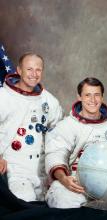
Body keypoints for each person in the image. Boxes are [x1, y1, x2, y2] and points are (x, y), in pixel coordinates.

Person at [45, 77, 107, 211]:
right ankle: (102, 210)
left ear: (102, 97)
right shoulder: (66, 126)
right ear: (79, 97)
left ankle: (99, 210)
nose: (93, 100)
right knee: (62, 199)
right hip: (77, 182)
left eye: (97, 95)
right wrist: (64, 179)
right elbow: (55, 154)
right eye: (87, 95)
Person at [0, 53, 63, 202]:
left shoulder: (48, 99)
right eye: (29, 69)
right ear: (19, 70)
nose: (34, 74)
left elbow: (59, 130)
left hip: (41, 168)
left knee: (56, 204)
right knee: (25, 203)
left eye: (38, 70)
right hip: (15, 168)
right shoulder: (4, 97)